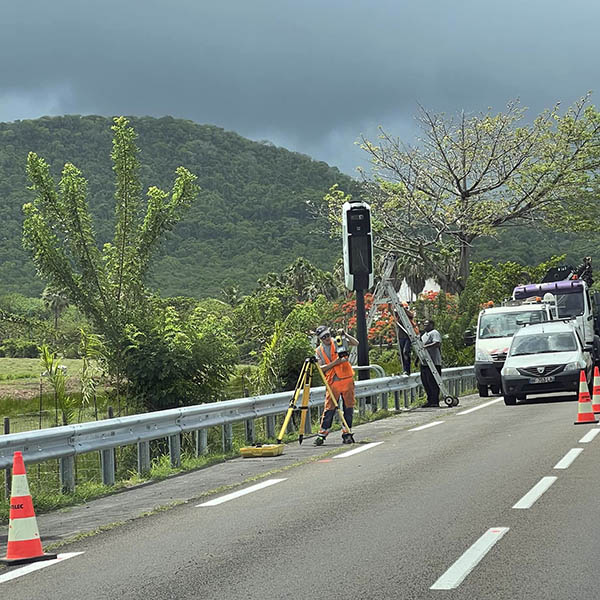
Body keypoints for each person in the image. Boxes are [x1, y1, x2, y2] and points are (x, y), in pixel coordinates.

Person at [313, 325, 359, 445]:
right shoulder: (318, 351)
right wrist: (336, 362)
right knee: (329, 409)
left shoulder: (339, 341)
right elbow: (321, 368)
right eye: (324, 337)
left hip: (347, 379)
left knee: (348, 407)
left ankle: (347, 433)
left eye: (328, 335)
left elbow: (356, 343)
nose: (327, 338)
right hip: (332, 382)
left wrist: (345, 334)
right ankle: (322, 434)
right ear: (320, 339)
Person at [420, 319, 442, 407]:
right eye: (424, 325)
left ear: (432, 325)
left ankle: (435, 401)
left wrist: (425, 347)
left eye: (427, 325)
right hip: (424, 363)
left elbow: (437, 343)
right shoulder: (423, 335)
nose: (425, 326)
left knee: (433, 382)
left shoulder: (434, 333)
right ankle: (429, 400)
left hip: (433, 363)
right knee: (426, 382)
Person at [394, 302, 418, 376]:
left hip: (408, 337)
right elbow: (391, 311)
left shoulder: (408, 316)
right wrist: (390, 305)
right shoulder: (398, 317)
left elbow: (412, 315)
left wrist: (403, 308)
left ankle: (407, 369)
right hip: (401, 338)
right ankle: (404, 369)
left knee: (406, 352)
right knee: (401, 353)